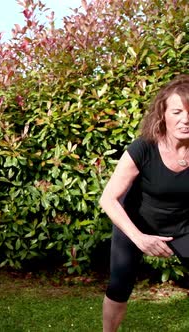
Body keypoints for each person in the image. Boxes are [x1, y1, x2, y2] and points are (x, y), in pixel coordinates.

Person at [100, 74, 189, 331]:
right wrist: (139, 238)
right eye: (177, 111)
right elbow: (108, 198)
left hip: (182, 225)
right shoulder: (143, 148)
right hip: (136, 221)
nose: (185, 119)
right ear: (163, 114)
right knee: (119, 285)